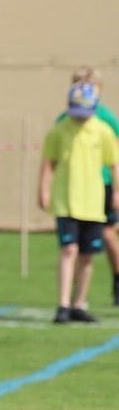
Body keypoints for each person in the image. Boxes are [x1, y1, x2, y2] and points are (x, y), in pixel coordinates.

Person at [39, 81, 119, 324]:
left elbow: (113, 163)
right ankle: (63, 304)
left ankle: (78, 303)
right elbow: (48, 163)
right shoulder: (59, 130)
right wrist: (43, 190)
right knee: (69, 250)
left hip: (93, 202)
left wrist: (116, 192)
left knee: (87, 255)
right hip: (66, 201)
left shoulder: (102, 131)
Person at [56, 68, 119, 306]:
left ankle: (116, 277)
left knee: (107, 234)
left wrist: (115, 188)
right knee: (71, 247)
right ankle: (73, 298)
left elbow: (115, 156)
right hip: (74, 187)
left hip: (101, 184)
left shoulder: (106, 118)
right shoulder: (66, 118)